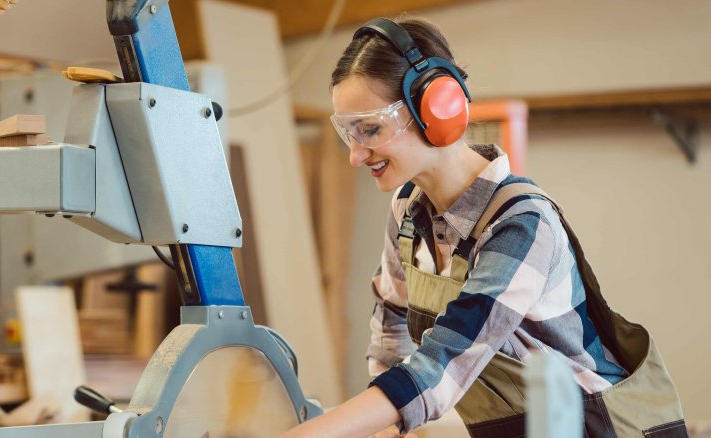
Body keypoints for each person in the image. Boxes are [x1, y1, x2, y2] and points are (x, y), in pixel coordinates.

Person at [281, 14, 686, 438]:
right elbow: (391, 329)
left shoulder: (522, 224)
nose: (356, 155)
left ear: (435, 109)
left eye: (371, 129)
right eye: (349, 133)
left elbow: (446, 360)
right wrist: (388, 427)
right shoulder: (407, 212)